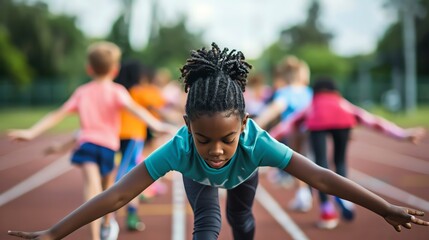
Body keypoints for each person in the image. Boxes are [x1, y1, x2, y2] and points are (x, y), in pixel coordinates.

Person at [7, 43, 429, 240]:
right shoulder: (179, 148)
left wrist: (384, 206)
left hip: (244, 178)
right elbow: (117, 195)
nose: (215, 150)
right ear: (187, 125)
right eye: (203, 138)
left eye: (227, 138)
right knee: (206, 223)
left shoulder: (256, 142)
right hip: (200, 183)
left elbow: (321, 177)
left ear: (244, 125)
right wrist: (54, 234)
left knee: (242, 222)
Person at [7, 41, 176, 240]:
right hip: (107, 148)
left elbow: (57, 114)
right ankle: (102, 230)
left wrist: (32, 132)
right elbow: (136, 110)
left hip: (87, 145)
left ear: (89, 69)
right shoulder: (117, 91)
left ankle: (103, 227)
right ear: (115, 69)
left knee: (95, 190)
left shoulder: (82, 92)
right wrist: (157, 125)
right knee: (104, 190)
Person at [269, 77, 427, 229]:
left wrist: (266, 139)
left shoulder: (313, 105)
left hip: (317, 121)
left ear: (315, 92)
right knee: (340, 162)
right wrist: (402, 134)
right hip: (342, 120)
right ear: (335, 90)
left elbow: (287, 125)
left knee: (319, 166)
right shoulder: (342, 103)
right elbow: (372, 121)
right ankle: (344, 199)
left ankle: (326, 211)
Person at [113, 60, 167, 231]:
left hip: (117, 134)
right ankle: (109, 214)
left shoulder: (120, 91)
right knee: (124, 176)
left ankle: (130, 213)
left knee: (126, 172)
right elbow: (159, 102)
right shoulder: (138, 91)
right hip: (133, 135)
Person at [255, 56, 314, 211]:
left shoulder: (285, 92)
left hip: (294, 132)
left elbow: (274, 109)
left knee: (298, 165)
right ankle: (305, 195)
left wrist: (254, 125)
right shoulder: (308, 91)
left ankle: (304, 196)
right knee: (310, 164)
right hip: (311, 131)